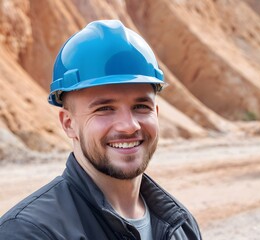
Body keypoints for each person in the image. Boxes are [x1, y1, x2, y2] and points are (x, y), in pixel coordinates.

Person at [0, 20, 202, 240]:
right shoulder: (28, 233)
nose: (129, 126)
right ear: (68, 124)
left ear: (157, 113)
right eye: (105, 109)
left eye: (141, 107)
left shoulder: (182, 226)